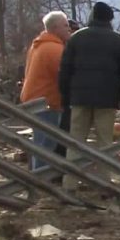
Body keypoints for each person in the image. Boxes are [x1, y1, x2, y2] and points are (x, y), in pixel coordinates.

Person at [59, 2, 120, 192]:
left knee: (75, 141)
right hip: (107, 98)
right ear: (110, 19)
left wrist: (65, 96)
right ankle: (104, 185)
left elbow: (65, 71)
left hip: (79, 98)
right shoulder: (119, 41)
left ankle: (70, 184)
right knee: (105, 143)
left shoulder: (76, 38)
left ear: (92, 16)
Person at [20, 11, 72, 170]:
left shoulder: (38, 45)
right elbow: (64, 76)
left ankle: (38, 175)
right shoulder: (55, 49)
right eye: (65, 25)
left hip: (33, 99)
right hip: (46, 102)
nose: (69, 29)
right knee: (46, 144)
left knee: (40, 141)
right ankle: (41, 178)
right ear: (55, 27)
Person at [55, 18, 82, 159]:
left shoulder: (73, 48)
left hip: (70, 97)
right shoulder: (60, 48)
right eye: (71, 30)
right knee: (62, 133)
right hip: (62, 98)